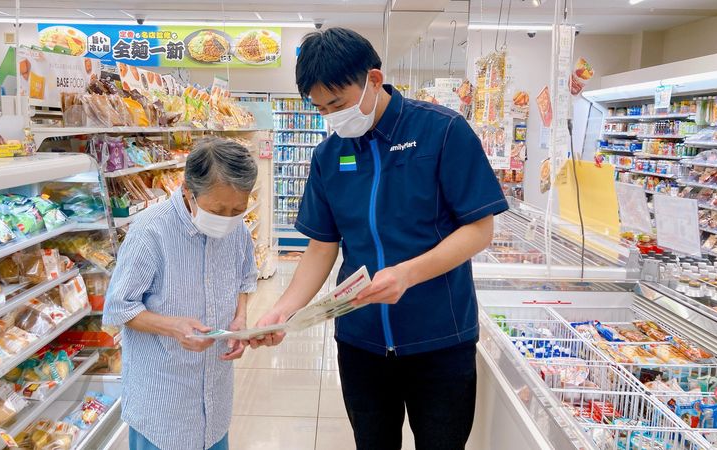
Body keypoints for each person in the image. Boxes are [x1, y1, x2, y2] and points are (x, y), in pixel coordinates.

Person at [251, 28, 508, 450]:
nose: (331, 117)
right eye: (320, 108)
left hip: (440, 340)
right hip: (361, 342)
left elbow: (480, 229)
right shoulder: (329, 155)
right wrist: (283, 310)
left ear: (373, 79)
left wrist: (408, 274)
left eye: (337, 103)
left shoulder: (441, 132)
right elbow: (322, 246)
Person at [103, 137, 259, 450]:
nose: (228, 218)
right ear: (188, 191)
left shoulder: (237, 229)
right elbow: (118, 307)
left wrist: (240, 318)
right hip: (163, 404)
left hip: (214, 400)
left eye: (237, 209)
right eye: (217, 209)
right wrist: (173, 327)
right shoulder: (150, 231)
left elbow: (245, 278)